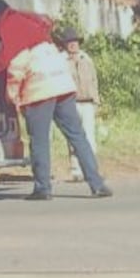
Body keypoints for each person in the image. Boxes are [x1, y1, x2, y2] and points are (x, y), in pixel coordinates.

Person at [0, 0, 112, 200]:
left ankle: (43, 188)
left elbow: (14, 64)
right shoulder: (31, 22)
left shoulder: (9, 26)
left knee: (39, 141)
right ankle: (97, 184)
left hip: (39, 91)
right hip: (63, 85)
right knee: (77, 136)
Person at [59, 26, 100, 182]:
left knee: (90, 136)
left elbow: (94, 80)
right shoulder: (62, 60)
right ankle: (76, 170)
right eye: (69, 42)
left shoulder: (86, 58)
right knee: (74, 139)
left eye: (74, 41)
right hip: (71, 103)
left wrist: (96, 100)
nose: (73, 44)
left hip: (87, 102)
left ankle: (91, 169)